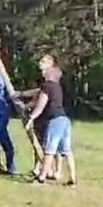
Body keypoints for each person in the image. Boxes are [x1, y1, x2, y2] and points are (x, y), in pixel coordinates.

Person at [26, 57, 77, 187]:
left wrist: (31, 118)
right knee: (67, 150)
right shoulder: (57, 87)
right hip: (64, 119)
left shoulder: (47, 86)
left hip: (54, 120)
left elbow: (41, 105)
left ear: (49, 74)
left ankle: (41, 178)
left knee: (49, 150)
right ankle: (73, 179)